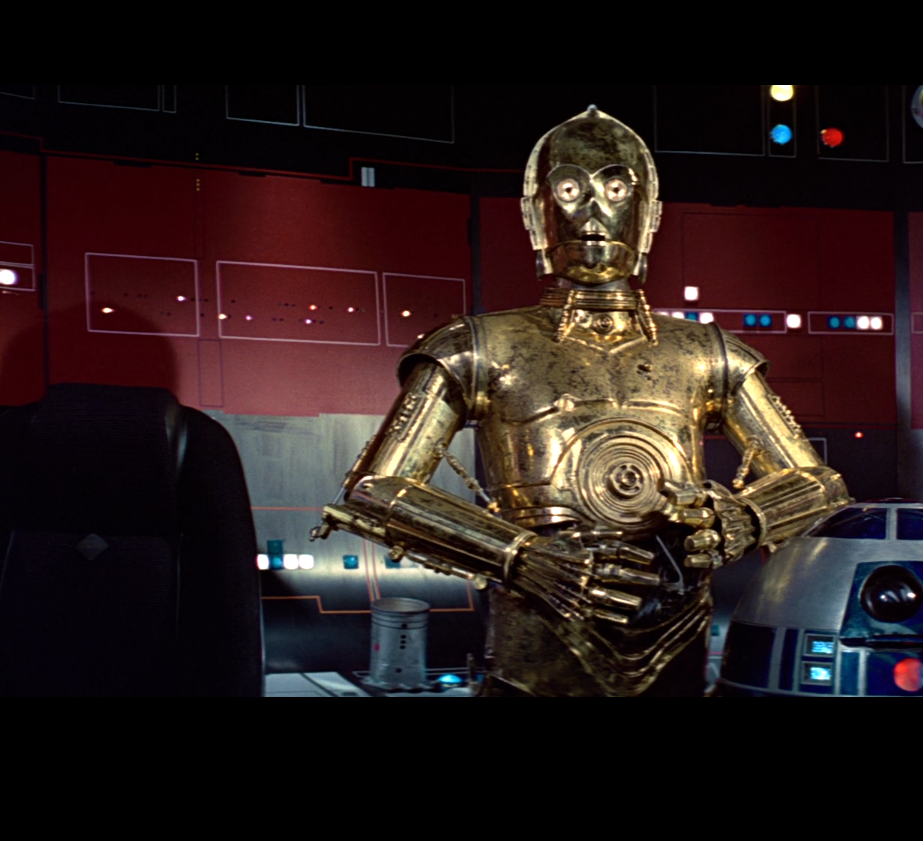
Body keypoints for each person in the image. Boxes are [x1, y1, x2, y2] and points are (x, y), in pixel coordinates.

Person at [314, 107, 850, 696]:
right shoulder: (479, 346)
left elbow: (818, 484)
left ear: (646, 211)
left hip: (674, 640)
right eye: (570, 190)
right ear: (537, 211)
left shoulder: (706, 353)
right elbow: (375, 489)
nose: (593, 211)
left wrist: (744, 519)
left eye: (615, 189)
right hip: (538, 647)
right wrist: (519, 556)